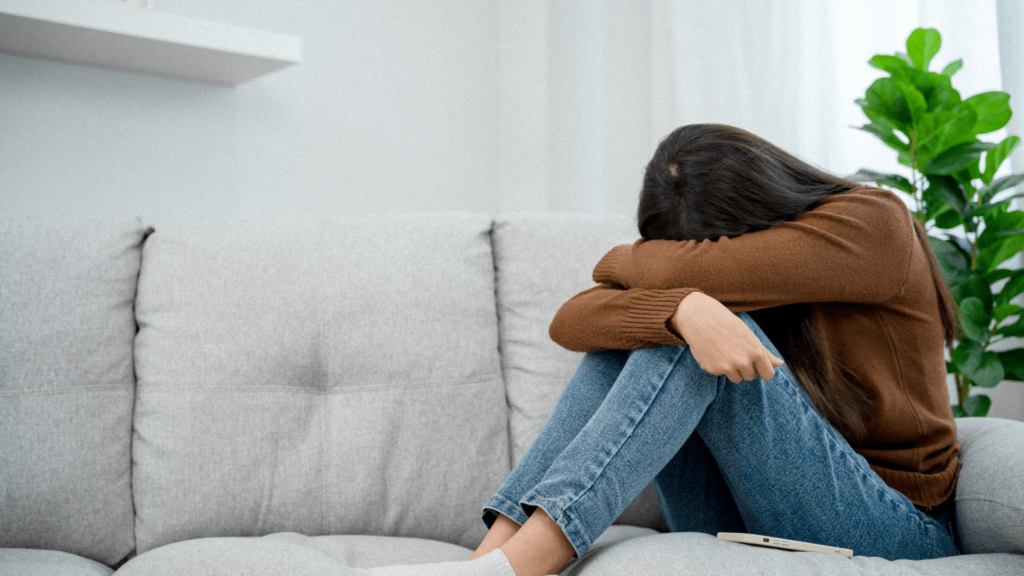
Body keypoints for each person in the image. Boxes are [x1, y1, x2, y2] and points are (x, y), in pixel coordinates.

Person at [363, 124, 963, 576]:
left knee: (686, 331)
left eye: (715, 249)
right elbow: (571, 320)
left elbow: (620, 278)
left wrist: (638, 271)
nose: (705, 266)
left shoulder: (875, 222)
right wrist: (678, 307)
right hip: (746, 512)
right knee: (653, 326)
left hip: (891, 527)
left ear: (762, 209)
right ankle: (487, 561)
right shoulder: (743, 274)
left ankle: (521, 566)